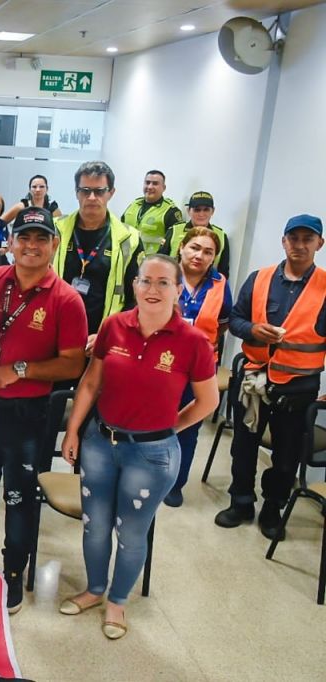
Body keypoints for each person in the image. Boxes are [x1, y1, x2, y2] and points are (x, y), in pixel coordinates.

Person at [58, 254, 218, 639]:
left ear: (178, 289)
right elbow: (91, 384)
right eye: (146, 281)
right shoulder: (114, 326)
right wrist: (74, 430)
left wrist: (168, 429)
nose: (153, 289)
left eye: (164, 282)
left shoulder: (193, 342)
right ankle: (95, 590)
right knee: (95, 525)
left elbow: (208, 402)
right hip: (101, 443)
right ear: (134, 285)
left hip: (150, 457)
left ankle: (117, 601)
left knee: (130, 532)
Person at [0, 207, 88, 614]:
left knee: (20, 496)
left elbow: (73, 363)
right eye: (24, 237)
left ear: (54, 245)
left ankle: (11, 575)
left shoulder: (66, 300)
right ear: (10, 242)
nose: (31, 245)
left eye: (41, 238)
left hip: (27, 413)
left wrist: (19, 370)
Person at [214, 214, 326, 539]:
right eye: (294, 238)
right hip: (253, 380)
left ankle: (273, 508)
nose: (300, 245)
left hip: (298, 387)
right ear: (284, 241)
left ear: (319, 243)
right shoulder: (259, 278)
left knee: (286, 454)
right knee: (244, 445)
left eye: (308, 239)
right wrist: (252, 330)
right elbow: (235, 319)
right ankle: (241, 502)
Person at [165, 227, 232, 507]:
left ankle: (176, 483)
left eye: (208, 252)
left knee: (188, 427)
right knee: (153, 422)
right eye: (194, 247)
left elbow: (224, 323)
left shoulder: (219, 283)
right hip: (163, 364)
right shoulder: (165, 275)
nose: (199, 255)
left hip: (199, 371)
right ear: (181, 247)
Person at [54, 161, 144, 351]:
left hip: (104, 340)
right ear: (76, 192)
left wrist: (109, 332)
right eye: (85, 191)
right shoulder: (55, 230)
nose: (92, 197)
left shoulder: (129, 238)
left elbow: (135, 298)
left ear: (111, 193)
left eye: (99, 191)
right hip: (56, 334)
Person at [159, 191, 231, 279]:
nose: (201, 214)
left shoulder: (221, 236)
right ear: (189, 211)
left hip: (205, 286)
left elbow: (223, 272)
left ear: (212, 211)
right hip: (174, 283)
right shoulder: (174, 231)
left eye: (206, 210)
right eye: (197, 210)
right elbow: (160, 262)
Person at [120, 170, 184, 255]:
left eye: (155, 183)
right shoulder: (133, 205)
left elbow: (174, 244)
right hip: (126, 258)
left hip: (151, 263)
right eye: (147, 182)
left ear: (163, 188)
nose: (150, 187)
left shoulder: (170, 211)